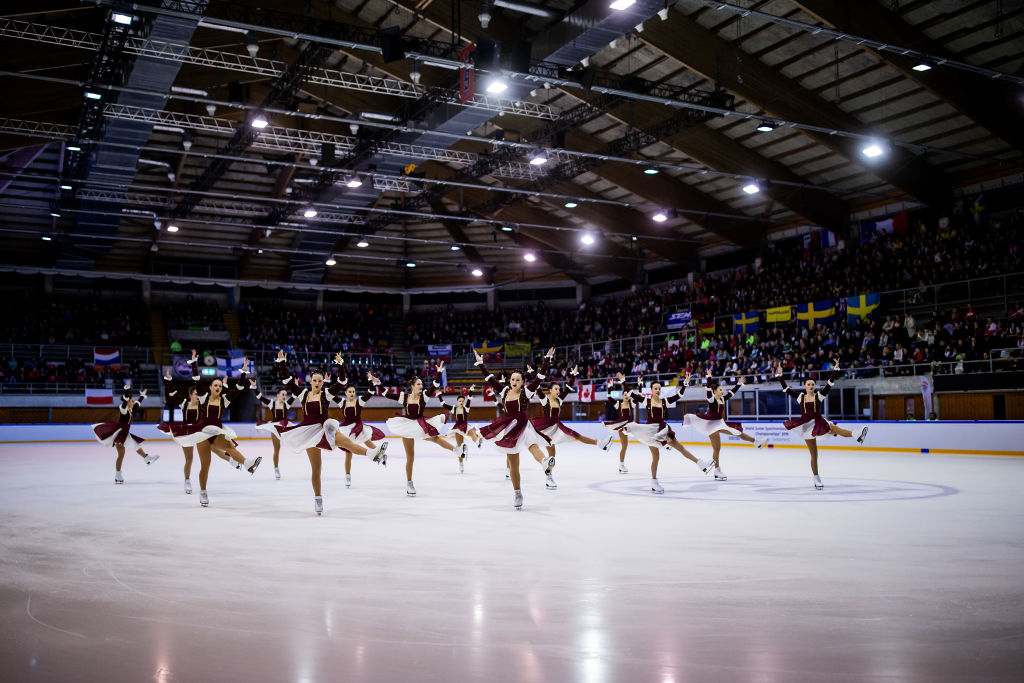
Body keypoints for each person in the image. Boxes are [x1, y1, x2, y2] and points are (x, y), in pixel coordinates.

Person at [274, 351, 387, 514]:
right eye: (315, 380)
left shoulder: (326, 394)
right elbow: (286, 380)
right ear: (310, 381)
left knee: (348, 443)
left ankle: (372, 453)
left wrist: (341, 365)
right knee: (316, 469)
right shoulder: (303, 394)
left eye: (320, 380)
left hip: (325, 428)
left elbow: (342, 381)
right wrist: (282, 363)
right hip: (309, 432)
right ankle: (318, 498)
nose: (318, 383)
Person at [164, 350, 262, 507]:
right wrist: (194, 364)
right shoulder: (203, 397)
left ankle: (248, 463)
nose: (217, 387)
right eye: (215, 385)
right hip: (203, 434)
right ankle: (203, 492)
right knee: (205, 465)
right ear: (210, 387)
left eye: (219, 386)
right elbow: (196, 380)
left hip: (216, 432)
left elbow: (237, 388)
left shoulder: (224, 400)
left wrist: (243, 372)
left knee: (230, 446)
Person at [475, 349, 553, 509]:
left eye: (518, 379)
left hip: (524, 425)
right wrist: (481, 364)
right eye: (513, 379)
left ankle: (544, 462)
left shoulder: (526, 392)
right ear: (510, 381)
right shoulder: (504, 391)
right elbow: (490, 379)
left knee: (533, 446)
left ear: (523, 382)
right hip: (509, 429)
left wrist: (546, 360)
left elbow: (539, 378)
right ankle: (517, 492)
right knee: (514, 465)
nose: (515, 381)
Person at [615, 372, 715, 494]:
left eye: (659, 388)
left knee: (680, 447)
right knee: (656, 458)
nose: (657, 390)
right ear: (651, 390)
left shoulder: (664, 401)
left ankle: (701, 464)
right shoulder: (646, 401)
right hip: (650, 431)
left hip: (662, 429)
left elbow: (679, 395)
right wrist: (623, 381)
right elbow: (631, 393)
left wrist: (685, 383)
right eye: (655, 388)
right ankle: (654, 482)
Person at [376, 360, 464, 496]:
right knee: (410, 457)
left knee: (435, 438)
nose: (421, 386)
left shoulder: (424, 397)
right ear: (412, 386)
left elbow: (434, 386)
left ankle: (456, 450)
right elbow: (386, 394)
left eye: (422, 384)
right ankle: (409, 483)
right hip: (407, 426)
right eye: (419, 384)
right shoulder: (404, 397)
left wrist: (439, 372)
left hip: (420, 424)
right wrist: (377, 383)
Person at [775, 361, 868, 490]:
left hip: (819, 422)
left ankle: (856, 434)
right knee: (814, 454)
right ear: (805, 386)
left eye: (812, 384)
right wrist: (780, 376)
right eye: (809, 384)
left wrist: (836, 370)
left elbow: (829, 385)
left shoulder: (819, 396)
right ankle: (816, 477)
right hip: (807, 427)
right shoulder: (800, 397)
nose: (811, 386)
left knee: (836, 429)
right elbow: (786, 389)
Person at [682, 367, 767, 481]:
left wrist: (739, 384)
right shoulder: (711, 399)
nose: (723, 391)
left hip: (719, 423)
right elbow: (708, 389)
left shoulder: (722, 399)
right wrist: (708, 377)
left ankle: (756, 442)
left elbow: (731, 393)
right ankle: (717, 471)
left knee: (736, 433)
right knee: (718, 447)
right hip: (710, 424)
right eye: (721, 390)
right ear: (715, 391)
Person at [529, 360, 615, 463]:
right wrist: (532, 373)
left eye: (558, 389)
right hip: (546, 428)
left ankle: (600, 443)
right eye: (556, 389)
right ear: (550, 390)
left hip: (556, 426)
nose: (558, 391)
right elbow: (537, 386)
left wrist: (573, 375)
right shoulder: (545, 400)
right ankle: (547, 470)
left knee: (576, 436)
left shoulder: (559, 400)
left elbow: (568, 388)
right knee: (551, 453)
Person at [91, 382, 157, 484]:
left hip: (126, 434)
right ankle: (118, 475)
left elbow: (138, 403)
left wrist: (142, 396)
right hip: (120, 435)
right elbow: (125, 399)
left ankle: (146, 458)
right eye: (132, 401)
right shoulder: (124, 410)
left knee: (136, 445)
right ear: (128, 402)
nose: (133, 402)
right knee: (121, 454)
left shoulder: (131, 410)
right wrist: (127, 389)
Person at [157, 371, 201, 494]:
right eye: (196, 394)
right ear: (190, 395)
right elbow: (172, 393)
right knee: (189, 459)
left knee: (213, 447)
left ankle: (232, 460)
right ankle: (187, 480)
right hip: (187, 434)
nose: (198, 396)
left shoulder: (202, 406)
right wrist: (169, 380)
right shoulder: (184, 404)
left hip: (199, 433)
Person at [441, 385, 484, 474]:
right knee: (460, 447)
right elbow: (444, 405)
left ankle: (477, 442)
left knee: (473, 433)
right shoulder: (454, 409)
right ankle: (461, 463)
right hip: (458, 428)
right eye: (459, 401)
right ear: (457, 402)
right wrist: (438, 395)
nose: (461, 402)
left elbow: (470, 399)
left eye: (462, 401)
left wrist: (471, 390)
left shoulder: (466, 408)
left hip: (466, 426)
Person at [253, 383, 293, 480]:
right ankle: (276, 468)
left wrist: (295, 385)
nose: (284, 396)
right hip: (275, 428)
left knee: (294, 443)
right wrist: (255, 387)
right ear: (278, 395)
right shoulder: (272, 404)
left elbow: (295, 396)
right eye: (282, 394)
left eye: (285, 395)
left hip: (285, 427)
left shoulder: (287, 404)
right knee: (277, 449)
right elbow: (260, 397)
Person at [603, 377, 638, 473]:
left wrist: (640, 385)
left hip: (631, 427)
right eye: (625, 394)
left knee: (643, 435)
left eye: (628, 394)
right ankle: (621, 465)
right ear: (622, 396)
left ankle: (663, 444)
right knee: (624, 446)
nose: (626, 396)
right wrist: (610, 387)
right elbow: (609, 398)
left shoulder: (631, 404)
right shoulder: (618, 404)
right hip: (622, 428)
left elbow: (639, 396)